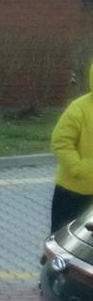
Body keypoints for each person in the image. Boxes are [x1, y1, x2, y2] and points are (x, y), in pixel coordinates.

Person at [51, 60, 93, 233]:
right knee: (63, 245)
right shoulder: (79, 109)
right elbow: (61, 141)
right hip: (73, 192)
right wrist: (78, 167)